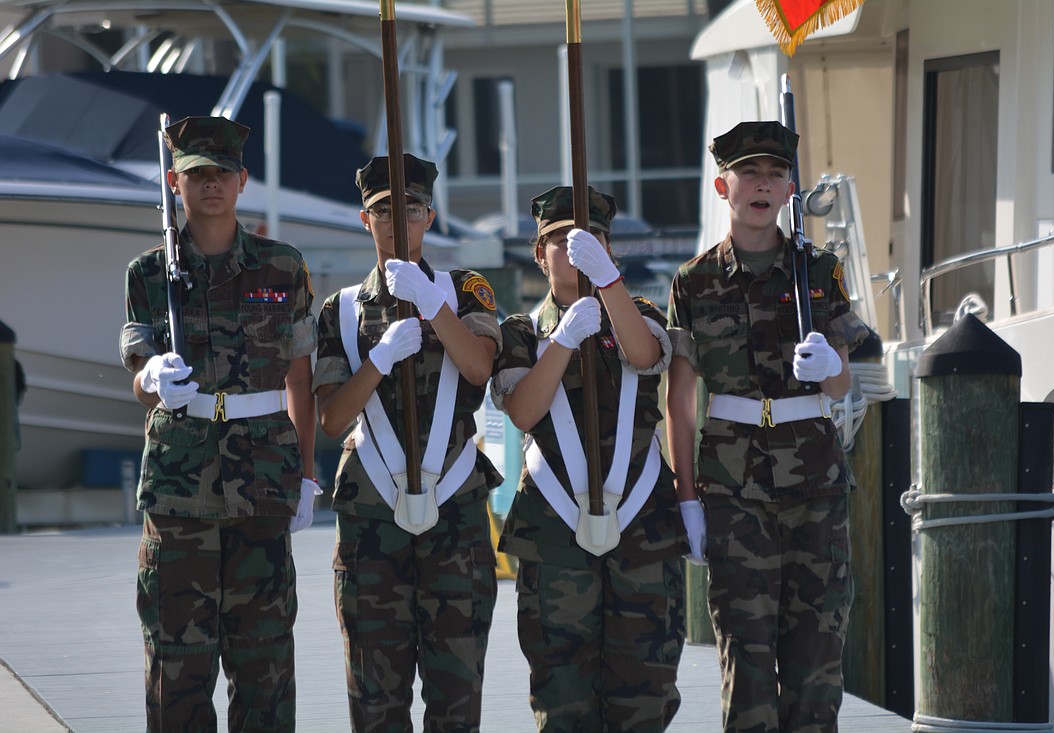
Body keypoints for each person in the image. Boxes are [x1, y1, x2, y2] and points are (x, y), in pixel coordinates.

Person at [664, 121, 869, 733]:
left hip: (816, 487)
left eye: (775, 173)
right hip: (734, 490)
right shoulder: (694, 281)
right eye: (748, 172)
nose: (762, 184)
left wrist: (832, 365)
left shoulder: (820, 271)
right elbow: (680, 402)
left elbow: (841, 385)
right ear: (723, 185)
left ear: (789, 189)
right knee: (747, 665)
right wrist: (688, 501)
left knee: (817, 664)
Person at [120, 115, 318, 732]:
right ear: (175, 183)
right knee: (176, 664)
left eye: (222, 174)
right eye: (197, 174)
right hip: (180, 488)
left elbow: (300, 380)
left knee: (264, 663)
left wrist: (307, 476)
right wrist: (152, 378)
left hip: (262, 480)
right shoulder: (149, 273)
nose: (212, 185)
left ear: (243, 181)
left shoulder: (281, 267)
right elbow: (137, 365)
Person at [312, 153, 502, 732]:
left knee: (456, 694)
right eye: (383, 211)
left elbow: (478, 369)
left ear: (430, 216)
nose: (398, 223)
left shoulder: (466, 291)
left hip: (455, 513)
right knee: (375, 696)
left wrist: (432, 303)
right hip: (372, 519)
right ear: (364, 220)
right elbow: (332, 418)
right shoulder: (340, 310)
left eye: (411, 209)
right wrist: (378, 360)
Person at [490, 186, 687, 733]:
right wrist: (563, 338)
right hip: (554, 531)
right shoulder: (522, 332)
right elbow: (524, 412)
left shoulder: (638, 311)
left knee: (644, 688)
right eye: (559, 240)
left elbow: (645, 356)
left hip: (643, 526)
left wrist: (608, 285)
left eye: (593, 239)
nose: (575, 249)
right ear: (538, 253)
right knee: (563, 692)